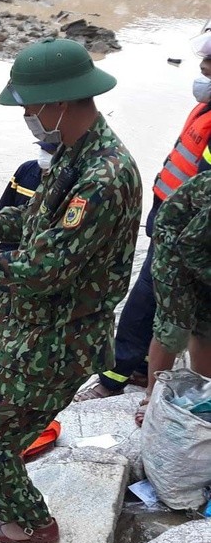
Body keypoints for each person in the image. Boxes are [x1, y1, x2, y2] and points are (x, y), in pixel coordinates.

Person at [0, 38, 141, 543]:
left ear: (58, 103)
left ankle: (34, 524)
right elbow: (37, 221)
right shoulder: (73, 152)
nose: (26, 117)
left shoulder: (104, 177)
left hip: (60, 338)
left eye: (29, 107)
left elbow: (44, 269)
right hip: (24, 323)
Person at [75, 37, 211, 403]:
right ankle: (133, 373)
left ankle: (119, 377)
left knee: (154, 304)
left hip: (189, 232)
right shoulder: (205, 108)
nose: (202, 71)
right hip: (171, 216)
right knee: (156, 303)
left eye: (210, 66)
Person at [138, 171, 211, 425]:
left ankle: (202, 394)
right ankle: (151, 397)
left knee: (206, 324)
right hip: (176, 241)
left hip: (202, 245)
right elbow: (189, 244)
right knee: (175, 325)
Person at [0, 141, 56, 350]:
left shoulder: (65, 182)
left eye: (49, 151)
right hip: (10, 246)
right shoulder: (26, 171)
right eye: (42, 149)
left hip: (36, 252)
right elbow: (4, 208)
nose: (43, 155)